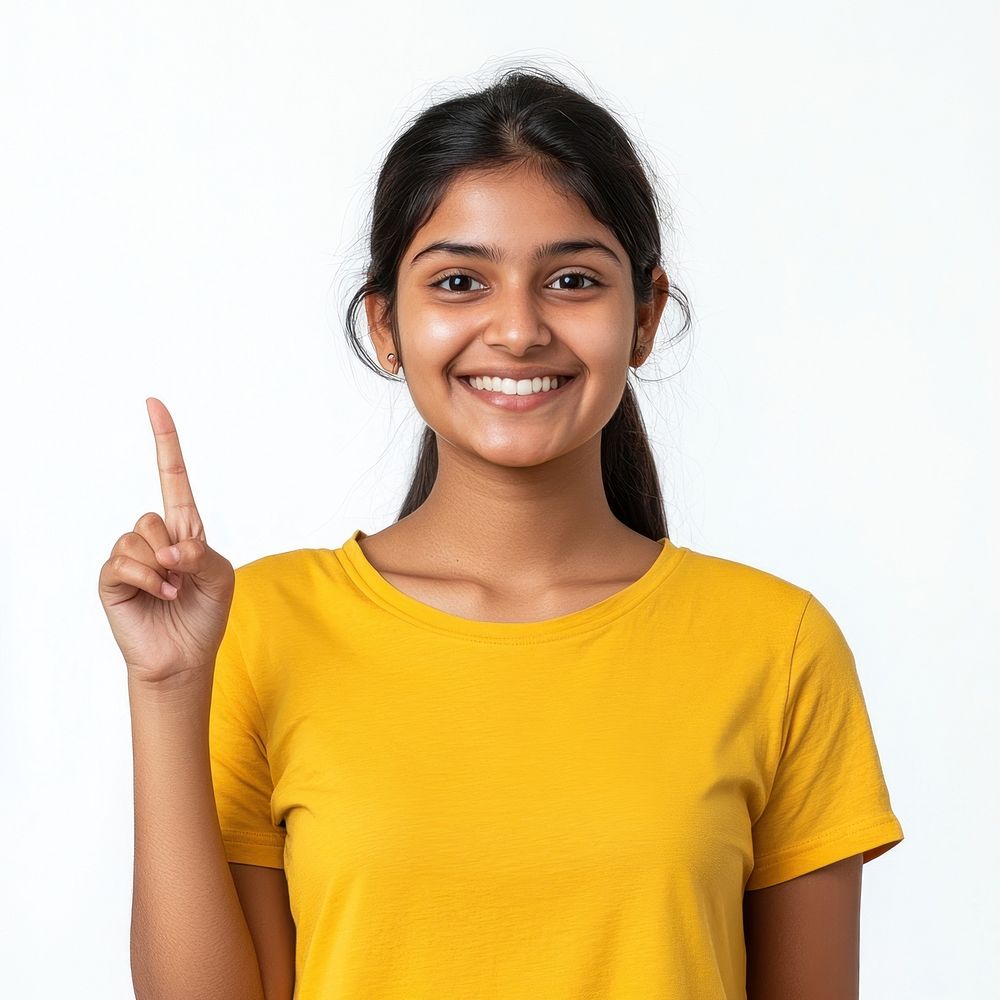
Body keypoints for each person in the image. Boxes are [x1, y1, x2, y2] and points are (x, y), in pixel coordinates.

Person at [100, 65, 904, 1000]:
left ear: (643, 316)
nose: (517, 330)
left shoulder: (779, 644)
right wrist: (165, 687)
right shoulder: (261, 625)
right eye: (458, 281)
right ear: (386, 324)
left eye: (570, 280)